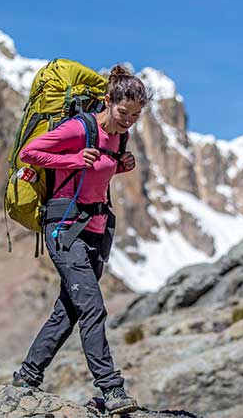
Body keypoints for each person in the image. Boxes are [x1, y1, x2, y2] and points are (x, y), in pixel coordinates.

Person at [11, 64, 151, 414]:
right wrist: (74, 158)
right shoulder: (79, 128)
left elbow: (99, 169)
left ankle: (27, 376)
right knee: (92, 307)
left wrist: (121, 165)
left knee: (69, 311)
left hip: (97, 228)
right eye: (123, 112)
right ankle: (112, 388)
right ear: (108, 101)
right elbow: (29, 153)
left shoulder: (120, 137)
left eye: (135, 115)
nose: (128, 120)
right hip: (64, 226)